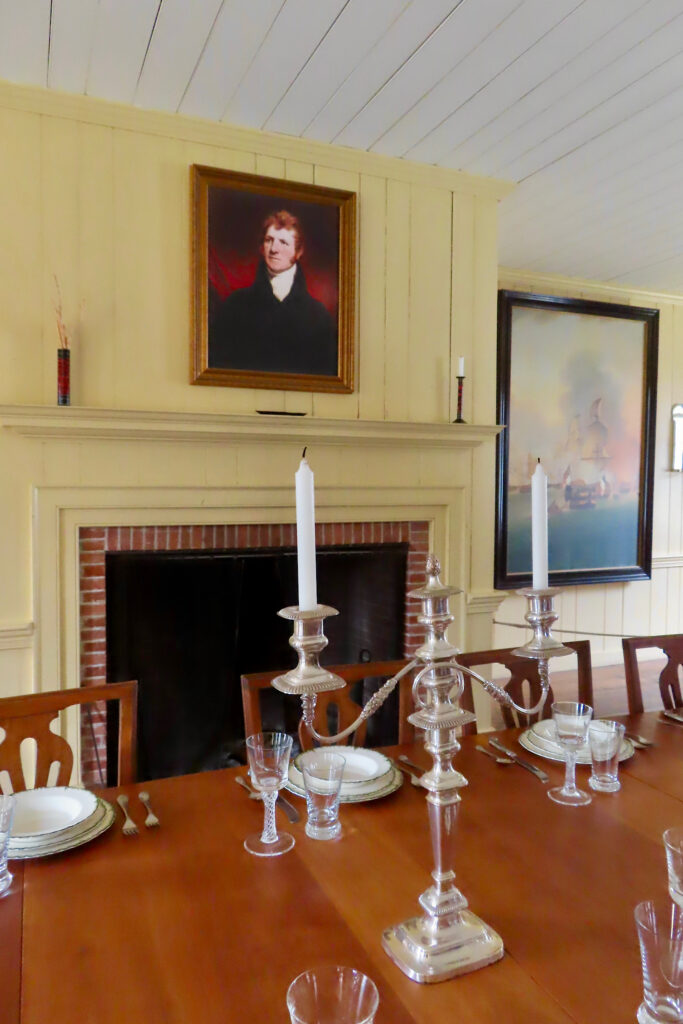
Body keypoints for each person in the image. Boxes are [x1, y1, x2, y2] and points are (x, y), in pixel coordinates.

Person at [209, 210, 338, 376]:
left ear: (299, 251)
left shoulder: (319, 316)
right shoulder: (235, 306)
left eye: (283, 242)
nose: (274, 249)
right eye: (269, 240)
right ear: (261, 248)